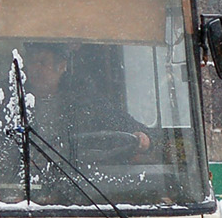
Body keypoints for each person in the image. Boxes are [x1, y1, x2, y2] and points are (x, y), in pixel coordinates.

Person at [19, 43, 151, 158]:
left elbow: (133, 129)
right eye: (31, 62)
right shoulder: (12, 100)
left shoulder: (85, 102)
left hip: (80, 179)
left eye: (42, 63)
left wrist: (143, 139)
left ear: (61, 66)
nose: (35, 69)